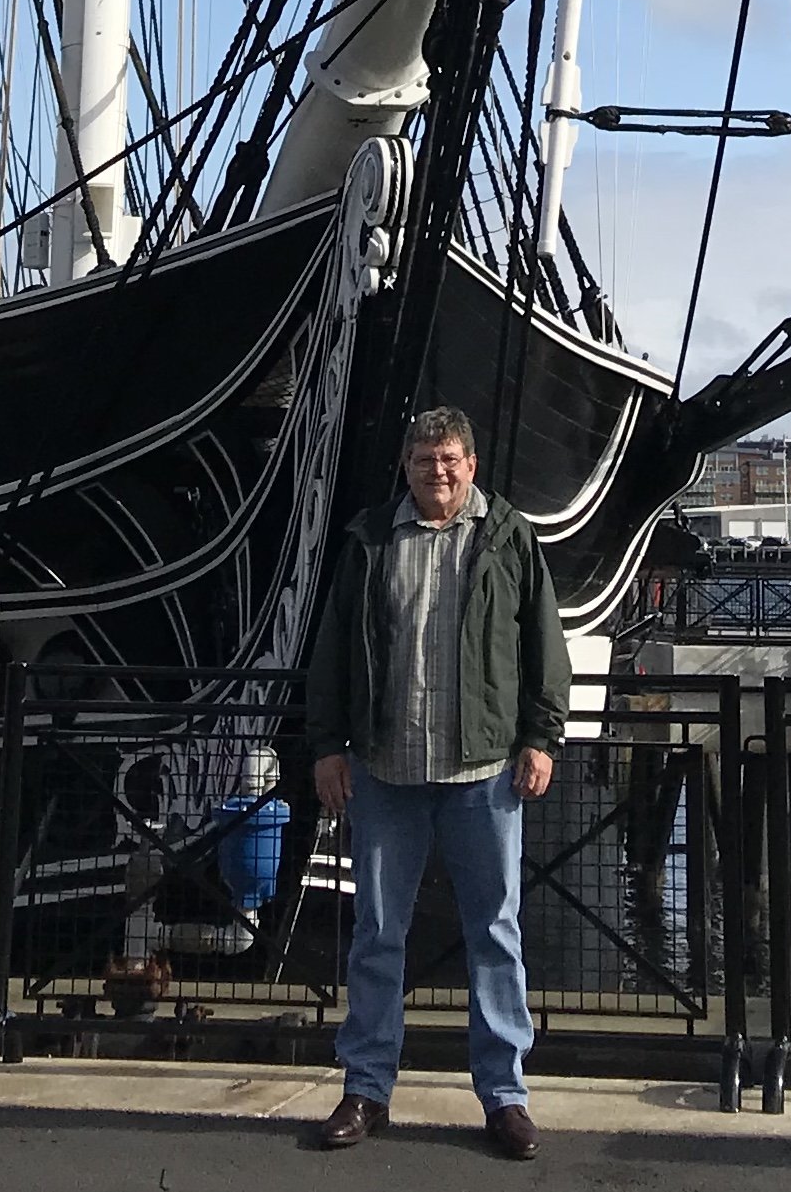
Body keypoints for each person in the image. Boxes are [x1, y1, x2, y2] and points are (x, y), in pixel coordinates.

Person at [303, 403, 570, 1161]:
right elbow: (336, 648)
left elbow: (542, 642)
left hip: (482, 768)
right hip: (388, 763)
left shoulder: (509, 536)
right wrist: (328, 744)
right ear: (407, 467)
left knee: (494, 931)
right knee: (377, 932)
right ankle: (365, 1085)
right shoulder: (371, 537)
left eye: (449, 458)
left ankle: (504, 1094)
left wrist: (541, 736)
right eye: (424, 460)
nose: (438, 472)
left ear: (471, 464)